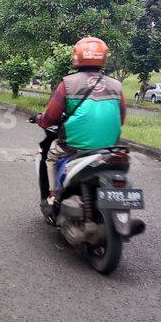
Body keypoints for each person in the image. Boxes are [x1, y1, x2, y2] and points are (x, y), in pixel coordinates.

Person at [30, 37, 126, 207]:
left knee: (50, 156)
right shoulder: (116, 85)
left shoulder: (68, 83)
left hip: (74, 147)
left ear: (77, 57)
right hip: (108, 148)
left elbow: (50, 117)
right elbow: (121, 117)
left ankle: (52, 197)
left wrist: (39, 119)